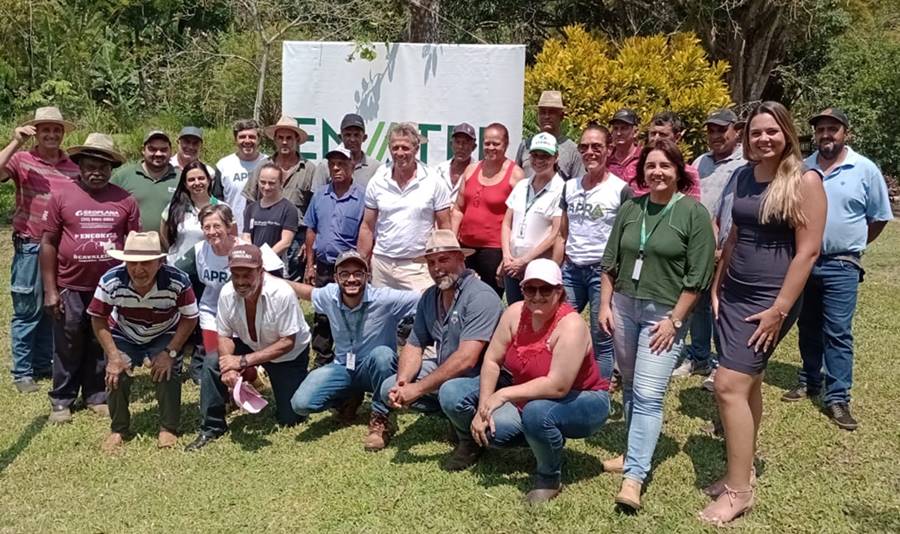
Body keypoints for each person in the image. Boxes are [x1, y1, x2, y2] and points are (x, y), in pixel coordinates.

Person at [699, 101, 826, 525]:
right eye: (756, 132)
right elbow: (735, 234)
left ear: (786, 133)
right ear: (747, 138)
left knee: (728, 385)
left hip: (771, 300)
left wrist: (779, 310)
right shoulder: (743, 175)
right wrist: (717, 284)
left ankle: (739, 493)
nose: (764, 138)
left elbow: (808, 252)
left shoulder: (805, 180)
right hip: (733, 293)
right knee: (748, 383)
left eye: (771, 131)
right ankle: (743, 468)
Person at [598, 138, 715, 512]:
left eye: (665, 165)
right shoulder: (631, 208)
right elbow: (610, 262)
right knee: (631, 385)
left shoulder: (693, 213)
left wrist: (675, 320)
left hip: (663, 314)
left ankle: (634, 477)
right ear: (642, 171)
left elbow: (698, 276)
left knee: (649, 394)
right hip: (623, 307)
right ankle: (632, 452)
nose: (657, 172)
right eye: (650, 166)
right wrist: (605, 305)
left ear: (678, 171)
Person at [439, 259, 610, 504]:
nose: (537, 296)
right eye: (531, 289)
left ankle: (549, 477)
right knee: (457, 397)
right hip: (529, 397)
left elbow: (558, 386)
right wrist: (483, 407)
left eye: (545, 289)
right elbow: (492, 360)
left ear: (559, 291)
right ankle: (518, 440)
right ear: (522, 290)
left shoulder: (571, 326)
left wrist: (502, 395)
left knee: (537, 413)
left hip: (584, 399)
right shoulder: (514, 313)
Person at [783, 108, 893, 430]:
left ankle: (838, 397)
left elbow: (879, 216)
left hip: (842, 264)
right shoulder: (803, 168)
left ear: (846, 133)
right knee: (807, 325)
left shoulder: (864, 169)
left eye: (833, 128)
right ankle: (809, 380)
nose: (826, 134)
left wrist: (853, 243)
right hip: (805, 261)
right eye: (821, 130)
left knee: (838, 330)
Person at [371, 230, 504, 451]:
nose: (436, 268)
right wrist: (403, 383)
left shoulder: (480, 296)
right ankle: (454, 417)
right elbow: (414, 344)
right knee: (388, 388)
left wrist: (418, 389)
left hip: (482, 376)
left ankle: (469, 441)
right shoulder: (430, 296)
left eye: (443, 260)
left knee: (450, 393)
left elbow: (467, 359)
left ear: (461, 259)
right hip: (448, 367)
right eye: (431, 262)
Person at [41, 133, 141, 424]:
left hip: (109, 287)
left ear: (111, 168)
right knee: (68, 341)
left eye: (103, 167)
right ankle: (62, 399)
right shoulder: (62, 195)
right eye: (90, 166)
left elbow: (134, 243)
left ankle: (96, 395)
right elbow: (48, 243)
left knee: (101, 340)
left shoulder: (125, 200)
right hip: (70, 285)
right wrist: (50, 290)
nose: (97, 172)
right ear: (80, 166)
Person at [288, 250, 420, 449]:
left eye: (358, 273)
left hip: (374, 369)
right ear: (336, 277)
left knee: (383, 355)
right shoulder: (329, 295)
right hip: (343, 367)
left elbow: (422, 297)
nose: (351, 279)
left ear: (367, 276)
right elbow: (304, 292)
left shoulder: (385, 299)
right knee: (301, 404)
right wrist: (265, 277)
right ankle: (347, 398)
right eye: (345, 274)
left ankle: (381, 418)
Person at [185, 244, 311, 451]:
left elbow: (287, 342)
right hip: (251, 342)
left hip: (287, 354)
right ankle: (212, 427)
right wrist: (228, 366)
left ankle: (301, 381)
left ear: (261, 271)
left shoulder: (282, 293)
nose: (241, 281)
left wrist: (242, 361)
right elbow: (224, 335)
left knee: (291, 418)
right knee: (212, 361)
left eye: (247, 275)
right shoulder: (227, 293)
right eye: (236, 275)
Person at [88, 231, 199, 452]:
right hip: (124, 332)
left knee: (167, 370)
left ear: (160, 262)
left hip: (164, 332)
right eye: (132, 263)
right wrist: (114, 357)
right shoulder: (110, 280)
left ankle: (168, 427)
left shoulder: (178, 281)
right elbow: (98, 318)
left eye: (146, 263)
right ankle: (118, 429)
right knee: (116, 375)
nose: (138, 269)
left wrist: (170, 352)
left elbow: (190, 317)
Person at [0, 107, 80, 393]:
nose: (51, 134)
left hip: (60, 246)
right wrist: (15, 141)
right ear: (36, 132)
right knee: (27, 310)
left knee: (53, 307)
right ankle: (22, 371)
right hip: (31, 244)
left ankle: (43, 363)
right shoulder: (22, 159)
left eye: (56, 130)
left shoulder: (72, 166)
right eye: (45, 129)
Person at [674, 109, 747, 381]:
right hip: (698, 246)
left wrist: (722, 247)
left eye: (722, 130)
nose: (716, 135)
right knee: (700, 305)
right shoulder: (700, 162)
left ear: (736, 131)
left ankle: (724, 363)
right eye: (711, 130)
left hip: (730, 245)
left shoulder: (744, 163)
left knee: (724, 307)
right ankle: (700, 357)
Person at [558, 124, 632, 381]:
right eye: (584, 147)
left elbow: (626, 237)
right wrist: (557, 268)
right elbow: (562, 233)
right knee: (560, 326)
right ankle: (564, 379)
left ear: (609, 149)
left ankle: (600, 389)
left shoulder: (621, 190)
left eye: (596, 147)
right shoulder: (570, 187)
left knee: (602, 334)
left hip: (602, 272)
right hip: (571, 269)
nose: (589, 152)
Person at [358, 122, 452, 291]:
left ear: (416, 149)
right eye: (395, 148)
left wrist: (446, 263)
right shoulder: (378, 180)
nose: (400, 153)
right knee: (382, 309)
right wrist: (362, 262)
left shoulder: (433, 180)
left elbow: (445, 226)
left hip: (418, 267)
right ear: (389, 149)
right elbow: (367, 226)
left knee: (422, 308)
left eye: (405, 148)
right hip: (382, 266)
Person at [303, 147, 367, 367]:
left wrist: (362, 267)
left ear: (352, 166)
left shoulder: (362, 198)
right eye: (332, 164)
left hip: (349, 269)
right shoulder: (320, 195)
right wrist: (309, 265)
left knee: (351, 313)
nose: (336, 168)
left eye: (341, 164)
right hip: (323, 266)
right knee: (322, 312)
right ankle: (322, 359)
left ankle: (351, 360)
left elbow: (367, 233)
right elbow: (311, 230)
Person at [453, 122, 524, 296]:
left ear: (506, 145)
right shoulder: (471, 170)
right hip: (465, 247)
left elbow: (519, 221)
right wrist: (452, 243)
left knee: (487, 298)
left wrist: (506, 257)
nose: (491, 147)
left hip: (494, 251)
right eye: (487, 143)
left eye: (496, 144)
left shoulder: (516, 175)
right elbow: (458, 209)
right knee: (461, 296)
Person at [243, 116, 316, 280]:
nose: (284, 142)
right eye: (280, 138)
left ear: (297, 140)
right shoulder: (262, 166)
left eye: (289, 138)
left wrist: (308, 243)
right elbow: (250, 202)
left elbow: (315, 210)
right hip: (263, 236)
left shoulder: (309, 169)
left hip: (296, 239)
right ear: (275, 140)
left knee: (290, 287)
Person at [500, 132, 564, 303]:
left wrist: (524, 261)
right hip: (512, 265)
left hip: (538, 269)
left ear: (556, 157)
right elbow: (506, 223)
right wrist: (506, 256)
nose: (539, 160)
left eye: (545, 156)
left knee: (537, 313)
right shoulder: (522, 185)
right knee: (515, 311)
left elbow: (556, 234)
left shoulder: (561, 190)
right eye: (535, 155)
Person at [111, 130, 178, 232]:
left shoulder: (181, 178)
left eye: (163, 149)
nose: (158, 153)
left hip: (171, 242)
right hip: (133, 241)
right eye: (152, 149)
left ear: (171, 151)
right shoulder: (123, 177)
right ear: (143, 150)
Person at [160, 160, 220, 267]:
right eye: (191, 180)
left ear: (209, 180)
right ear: (185, 184)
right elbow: (163, 231)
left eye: (201, 178)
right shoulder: (175, 207)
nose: (197, 183)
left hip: (208, 268)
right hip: (178, 267)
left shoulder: (221, 207)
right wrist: (173, 251)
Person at [241, 163, 299, 272]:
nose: (266, 187)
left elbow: (285, 242)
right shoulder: (251, 208)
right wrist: (252, 259)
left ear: (281, 183)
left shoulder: (289, 209)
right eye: (262, 182)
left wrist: (263, 260)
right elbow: (246, 237)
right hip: (253, 267)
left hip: (276, 268)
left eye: (271, 183)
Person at [514, 91, 583, 180]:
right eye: (542, 112)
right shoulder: (526, 145)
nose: (546, 116)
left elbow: (578, 184)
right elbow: (515, 176)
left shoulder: (573, 150)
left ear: (561, 116)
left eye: (552, 112)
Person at [216, 119, 268, 233]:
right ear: (235, 139)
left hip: (263, 231)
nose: (247, 141)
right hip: (231, 231)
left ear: (259, 139)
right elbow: (216, 200)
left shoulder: (269, 163)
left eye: (252, 137)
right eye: (242, 137)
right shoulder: (223, 165)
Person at [312, 113, 383, 192]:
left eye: (356, 135)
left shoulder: (375, 168)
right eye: (348, 135)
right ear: (340, 137)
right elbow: (317, 196)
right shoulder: (325, 166)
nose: (352, 139)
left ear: (364, 138)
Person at [637, 112, 701, 200]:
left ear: (677, 137)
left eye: (662, 134)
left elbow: (693, 206)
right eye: (653, 133)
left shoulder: (689, 173)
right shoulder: (638, 168)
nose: (656, 138)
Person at [169, 126, 223, 199]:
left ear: (201, 146)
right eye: (187, 142)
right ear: (178, 142)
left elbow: (212, 199)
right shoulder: (166, 167)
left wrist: (219, 204)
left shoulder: (209, 173)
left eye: (195, 143)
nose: (190, 147)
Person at [431, 122, 477, 202]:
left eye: (466, 143)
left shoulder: (479, 172)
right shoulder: (439, 170)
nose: (460, 147)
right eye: (457, 142)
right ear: (451, 144)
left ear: (473, 147)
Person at [607, 108, 641, 185]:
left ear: (635, 132)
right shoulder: (606, 160)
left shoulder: (644, 159)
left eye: (624, 128)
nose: (618, 133)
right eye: (615, 128)